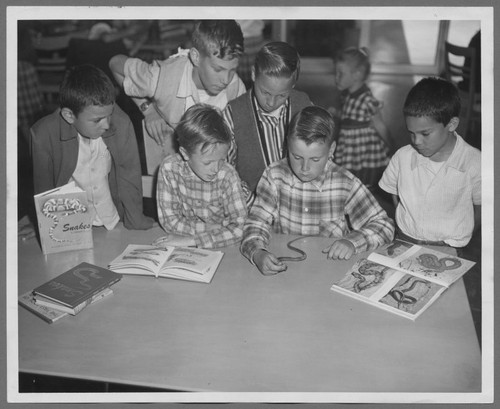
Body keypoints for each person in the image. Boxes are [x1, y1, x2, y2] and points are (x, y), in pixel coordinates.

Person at [240, 106, 395, 276]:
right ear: (287, 146)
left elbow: (384, 225)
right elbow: (255, 223)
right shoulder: (274, 175)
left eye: (315, 159)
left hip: (328, 272)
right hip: (285, 271)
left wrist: (352, 243)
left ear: (331, 150)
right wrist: (257, 253)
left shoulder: (344, 182)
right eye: (297, 157)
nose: (304, 168)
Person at [109, 20, 247, 172]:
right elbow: (115, 64)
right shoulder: (162, 76)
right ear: (195, 57)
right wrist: (148, 109)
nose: (226, 80)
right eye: (217, 69)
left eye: (232, 70)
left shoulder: (236, 87)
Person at [31, 64, 155, 231]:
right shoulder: (43, 135)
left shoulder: (121, 123)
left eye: (109, 115)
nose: (106, 125)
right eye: (97, 120)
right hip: (68, 225)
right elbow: (44, 189)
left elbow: (129, 174)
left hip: (112, 219)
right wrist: (45, 228)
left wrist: (135, 219)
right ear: (69, 115)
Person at [379, 76, 481, 252]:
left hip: (452, 246)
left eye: (425, 134)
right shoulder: (402, 157)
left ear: (451, 124)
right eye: (411, 133)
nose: (416, 141)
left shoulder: (474, 162)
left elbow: (483, 206)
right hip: (406, 239)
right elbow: (394, 193)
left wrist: (469, 232)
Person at [222, 41, 312, 194]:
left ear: (293, 85)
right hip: (251, 207)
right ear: (253, 74)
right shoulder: (233, 114)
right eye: (265, 92)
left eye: (282, 95)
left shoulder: (304, 105)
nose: (271, 102)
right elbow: (225, 172)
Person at [154, 104, 247, 249]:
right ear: (185, 153)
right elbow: (169, 221)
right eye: (208, 162)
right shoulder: (169, 169)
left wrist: (194, 240)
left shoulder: (228, 175)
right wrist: (212, 229)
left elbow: (240, 228)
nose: (216, 169)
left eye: (222, 160)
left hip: (225, 248)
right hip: (215, 240)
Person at [331, 47, 392, 189]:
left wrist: (390, 144)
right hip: (348, 149)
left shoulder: (367, 100)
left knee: (363, 179)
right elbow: (350, 116)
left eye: (340, 74)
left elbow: (380, 125)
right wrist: (336, 113)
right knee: (349, 178)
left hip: (363, 152)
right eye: (336, 73)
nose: (336, 78)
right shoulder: (346, 96)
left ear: (357, 75)